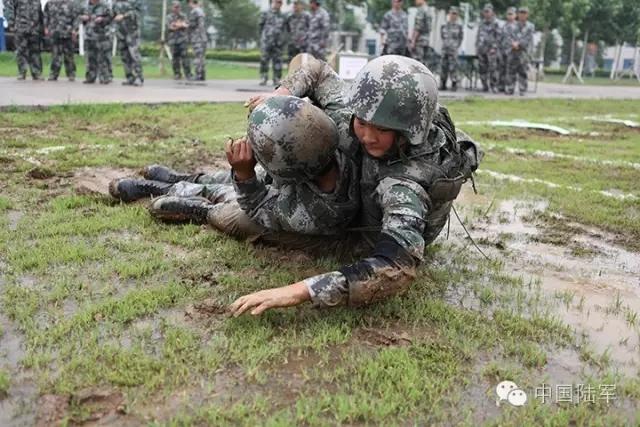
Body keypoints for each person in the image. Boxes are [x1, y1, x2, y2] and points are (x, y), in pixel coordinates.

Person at [233, 55, 482, 316]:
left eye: (381, 130)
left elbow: (395, 267)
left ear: (408, 132)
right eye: (361, 123)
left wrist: (299, 291)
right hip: (349, 187)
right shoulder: (369, 110)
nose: (367, 136)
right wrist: (281, 95)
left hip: (357, 235)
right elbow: (313, 68)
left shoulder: (405, 184)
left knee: (235, 219)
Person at [109, 96, 360, 244]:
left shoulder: (313, 213)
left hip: (288, 221)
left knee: (233, 214)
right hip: (297, 182)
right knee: (231, 178)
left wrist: (244, 174)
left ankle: (198, 206)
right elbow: (315, 71)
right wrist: (282, 97)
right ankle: (184, 179)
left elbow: (256, 205)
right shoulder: (336, 139)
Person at [4, 0, 43, 80]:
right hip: (21, 28)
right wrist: (11, 23)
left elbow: (40, 13)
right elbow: (10, 9)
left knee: (35, 52)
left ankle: (36, 73)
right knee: (21, 51)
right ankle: (22, 72)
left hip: (34, 29)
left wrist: (41, 26)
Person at [44, 0, 78, 82]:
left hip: (67, 33)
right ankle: (53, 74)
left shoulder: (71, 4)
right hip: (54, 33)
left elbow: (76, 18)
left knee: (69, 56)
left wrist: (75, 30)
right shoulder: (49, 3)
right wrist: (46, 27)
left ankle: (71, 74)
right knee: (55, 55)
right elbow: (46, 16)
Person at [80, 0, 113, 85]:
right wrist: (83, 18)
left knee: (102, 58)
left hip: (101, 36)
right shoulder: (85, 5)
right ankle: (90, 77)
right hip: (89, 35)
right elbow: (79, 17)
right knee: (90, 58)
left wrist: (102, 19)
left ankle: (105, 77)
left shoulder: (105, 5)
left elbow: (110, 18)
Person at [113, 0, 144, 86]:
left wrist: (124, 16)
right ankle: (130, 77)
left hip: (132, 33)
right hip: (121, 33)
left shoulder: (134, 2)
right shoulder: (115, 3)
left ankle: (139, 77)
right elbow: (112, 16)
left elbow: (136, 13)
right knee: (124, 57)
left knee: (134, 55)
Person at [505, 6, 534, 96]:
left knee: (523, 71)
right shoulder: (512, 26)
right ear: (517, 14)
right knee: (511, 71)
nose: (522, 15)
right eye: (521, 12)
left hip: (523, 52)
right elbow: (508, 36)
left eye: (524, 13)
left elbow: (528, 38)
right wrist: (513, 43)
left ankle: (522, 89)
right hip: (512, 51)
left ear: (527, 15)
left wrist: (519, 44)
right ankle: (510, 88)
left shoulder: (530, 26)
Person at [259, 0, 287, 86]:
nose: (278, 4)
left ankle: (277, 78)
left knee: (278, 61)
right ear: (272, 2)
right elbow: (260, 26)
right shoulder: (265, 13)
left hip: (278, 43)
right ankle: (264, 77)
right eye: (276, 2)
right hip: (266, 42)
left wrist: (282, 40)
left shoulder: (283, 16)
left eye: (280, 2)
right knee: (264, 60)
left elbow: (285, 30)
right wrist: (263, 38)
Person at [475, 3, 501, 92]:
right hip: (482, 49)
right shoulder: (481, 23)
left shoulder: (496, 23)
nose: (486, 13)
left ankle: (494, 86)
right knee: (482, 69)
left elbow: (498, 37)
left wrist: (494, 47)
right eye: (485, 11)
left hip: (491, 50)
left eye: (488, 11)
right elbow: (478, 36)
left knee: (493, 69)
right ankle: (484, 86)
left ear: (492, 12)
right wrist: (477, 47)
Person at [166, 1, 192, 80]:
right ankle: (177, 74)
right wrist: (180, 25)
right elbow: (170, 27)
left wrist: (177, 25)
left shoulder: (183, 16)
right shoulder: (169, 17)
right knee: (175, 58)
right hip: (173, 40)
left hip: (182, 40)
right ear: (172, 7)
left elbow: (186, 25)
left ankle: (188, 74)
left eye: (178, 7)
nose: (176, 9)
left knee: (185, 58)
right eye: (175, 7)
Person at [439, 6, 463, 91]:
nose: (453, 15)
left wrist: (455, 46)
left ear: (457, 15)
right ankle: (443, 84)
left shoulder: (459, 26)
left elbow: (460, 38)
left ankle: (454, 84)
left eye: (455, 14)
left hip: (453, 50)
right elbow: (442, 36)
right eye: (452, 13)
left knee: (453, 68)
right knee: (443, 67)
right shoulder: (444, 25)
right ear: (449, 14)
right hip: (445, 49)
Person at [188, 0, 207, 81]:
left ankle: (198, 75)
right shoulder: (201, 11)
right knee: (201, 57)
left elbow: (192, 25)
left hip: (197, 38)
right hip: (203, 37)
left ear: (191, 2)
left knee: (197, 57)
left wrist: (184, 25)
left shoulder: (194, 11)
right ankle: (202, 75)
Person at [499, 7, 517, 93]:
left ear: (515, 15)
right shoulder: (503, 26)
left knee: (510, 70)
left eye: (511, 14)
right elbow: (500, 38)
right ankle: (501, 86)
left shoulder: (517, 26)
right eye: (508, 14)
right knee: (502, 69)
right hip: (503, 50)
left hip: (512, 50)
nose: (509, 16)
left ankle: (510, 87)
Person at [410, 0, 431, 67]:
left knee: (417, 64)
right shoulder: (428, 10)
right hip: (426, 40)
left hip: (419, 41)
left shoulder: (421, 10)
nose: (415, 1)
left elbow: (418, 27)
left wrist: (413, 41)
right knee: (424, 65)